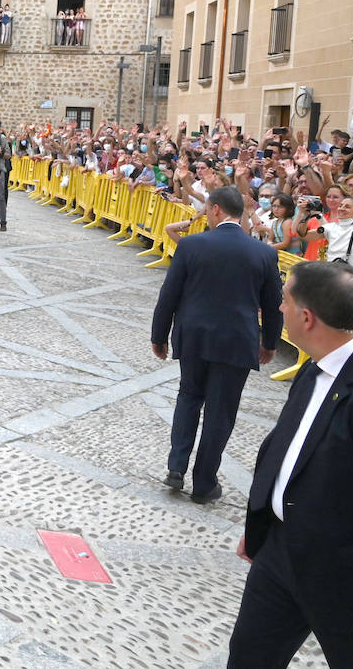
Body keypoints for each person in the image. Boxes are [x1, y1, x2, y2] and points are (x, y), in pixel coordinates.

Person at [228, 262, 353, 669]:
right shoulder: (315, 367)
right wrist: (261, 521)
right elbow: (287, 449)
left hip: (348, 583)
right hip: (281, 556)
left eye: (284, 300)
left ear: (306, 318)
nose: (278, 308)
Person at [151, 186, 283, 504]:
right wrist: (270, 342)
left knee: (188, 397)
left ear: (216, 209)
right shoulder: (264, 253)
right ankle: (204, 483)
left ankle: (176, 466)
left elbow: (169, 293)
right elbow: (273, 303)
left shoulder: (192, 244)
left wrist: (159, 335)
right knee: (220, 412)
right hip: (237, 341)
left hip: (194, 336)